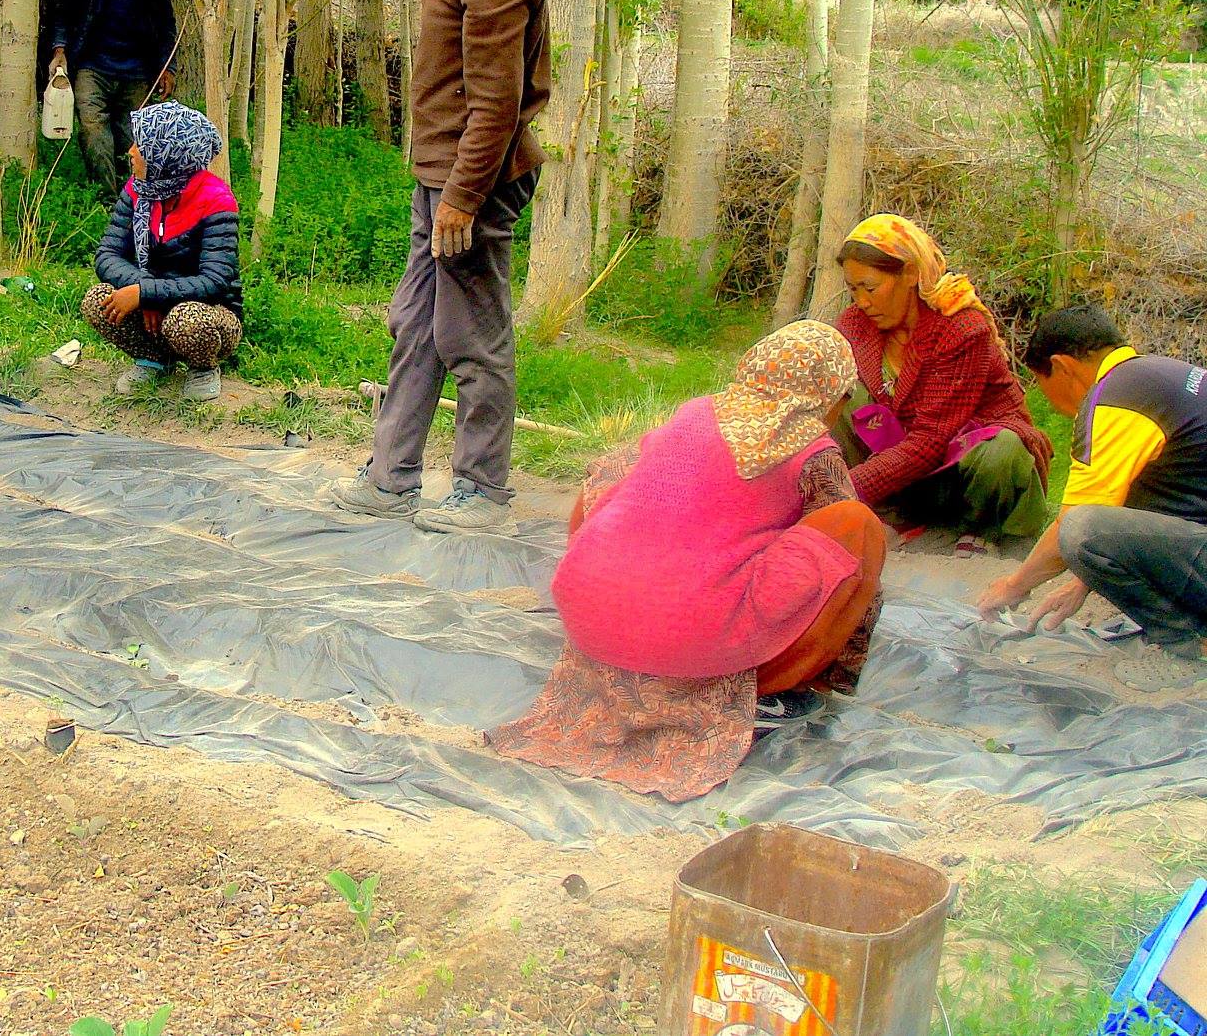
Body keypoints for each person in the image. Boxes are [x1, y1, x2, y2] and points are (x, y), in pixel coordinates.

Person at [487, 321, 887, 800]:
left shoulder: (689, 416)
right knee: (856, 528)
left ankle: (614, 612)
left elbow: (605, 485)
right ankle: (786, 686)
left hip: (590, 627)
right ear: (832, 395)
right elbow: (842, 560)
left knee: (616, 476)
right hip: (692, 642)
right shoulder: (813, 450)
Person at [327, 0, 549, 534]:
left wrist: (461, 198)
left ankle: (483, 490)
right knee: (417, 326)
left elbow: (497, 100)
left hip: (471, 184)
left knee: (473, 336)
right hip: (444, 181)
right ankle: (391, 477)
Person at [977, 304, 1207, 691]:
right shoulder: (1160, 377)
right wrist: (1085, 580)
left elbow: (1078, 524)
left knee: (1083, 529)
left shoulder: (1116, 399)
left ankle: (1182, 648)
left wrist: (1014, 586)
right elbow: (1157, 508)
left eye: (1042, 384)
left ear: (1062, 367)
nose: (1049, 402)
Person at [832, 213, 1052, 551]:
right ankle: (887, 516)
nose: (862, 301)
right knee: (844, 395)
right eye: (853, 289)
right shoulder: (855, 324)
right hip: (906, 472)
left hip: (965, 472)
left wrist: (845, 487)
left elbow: (931, 441)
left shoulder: (961, 330)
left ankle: (982, 530)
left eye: (871, 288)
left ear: (909, 274)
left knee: (1002, 449)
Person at [82, 102, 242, 401]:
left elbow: (215, 281)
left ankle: (203, 367)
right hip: (151, 306)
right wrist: (141, 290)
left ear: (165, 153)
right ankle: (153, 359)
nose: (130, 151)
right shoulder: (138, 189)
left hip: (209, 311)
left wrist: (145, 293)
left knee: (189, 319)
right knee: (97, 300)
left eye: (139, 146)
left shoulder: (216, 200)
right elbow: (107, 255)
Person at [50, 0, 178, 197]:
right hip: (92, 65)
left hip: (138, 68)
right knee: (95, 133)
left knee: (132, 141)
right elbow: (63, 11)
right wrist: (60, 50)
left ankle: (132, 202)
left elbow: (164, 20)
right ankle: (106, 201)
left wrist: (167, 67)